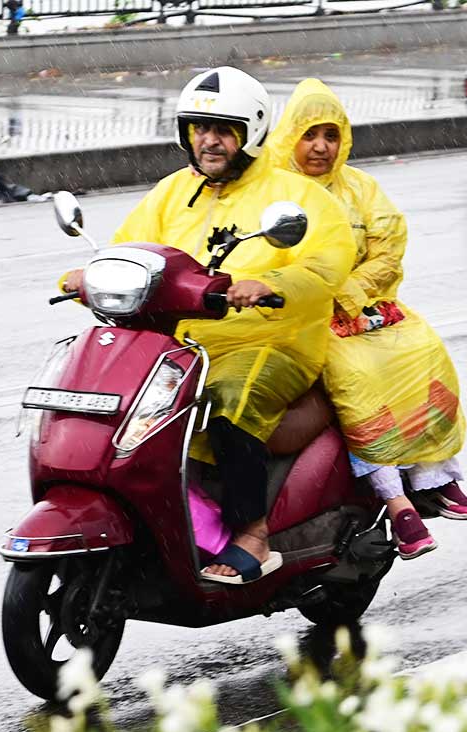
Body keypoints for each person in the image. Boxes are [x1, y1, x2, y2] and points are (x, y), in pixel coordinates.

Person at [61, 67, 356, 584]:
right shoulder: (172, 192)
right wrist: (93, 273)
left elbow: (328, 262)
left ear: (251, 134)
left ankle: (253, 534)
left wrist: (270, 283)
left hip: (271, 340)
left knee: (227, 400)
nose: (209, 141)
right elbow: (132, 247)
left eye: (223, 130)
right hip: (182, 344)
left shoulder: (297, 197)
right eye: (200, 128)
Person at [265, 79, 467, 560]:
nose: (321, 146)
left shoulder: (361, 188)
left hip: (360, 309)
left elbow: (389, 250)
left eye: (331, 135)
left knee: (425, 353)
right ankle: (396, 499)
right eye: (309, 134)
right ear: (289, 136)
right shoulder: (271, 190)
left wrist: (353, 292)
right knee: (358, 378)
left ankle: (436, 477)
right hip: (299, 321)